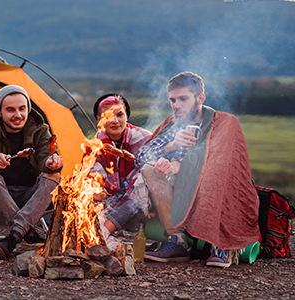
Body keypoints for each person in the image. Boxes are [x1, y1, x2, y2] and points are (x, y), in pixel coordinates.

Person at [137, 72, 260, 268]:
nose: (176, 105)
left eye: (183, 99)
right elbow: (141, 155)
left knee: (215, 172)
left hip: (215, 183)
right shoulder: (173, 124)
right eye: (173, 100)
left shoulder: (224, 122)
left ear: (200, 98)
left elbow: (222, 162)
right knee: (149, 169)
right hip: (180, 189)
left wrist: (178, 165)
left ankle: (222, 244)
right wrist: (169, 149)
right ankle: (178, 240)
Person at [0, 85, 63, 260]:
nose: (18, 115)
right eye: (10, 110)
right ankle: (27, 233)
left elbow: (45, 157)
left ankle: (13, 237)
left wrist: (51, 163)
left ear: (28, 108)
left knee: (54, 176)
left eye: (22, 108)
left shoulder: (40, 130)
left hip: (29, 197)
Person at [88, 94, 152, 248]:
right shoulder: (95, 144)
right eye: (108, 115)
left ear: (127, 116)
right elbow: (93, 174)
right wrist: (96, 188)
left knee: (141, 183)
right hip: (112, 199)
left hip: (144, 202)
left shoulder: (144, 139)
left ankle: (103, 231)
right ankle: (101, 239)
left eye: (119, 115)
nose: (115, 121)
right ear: (99, 119)